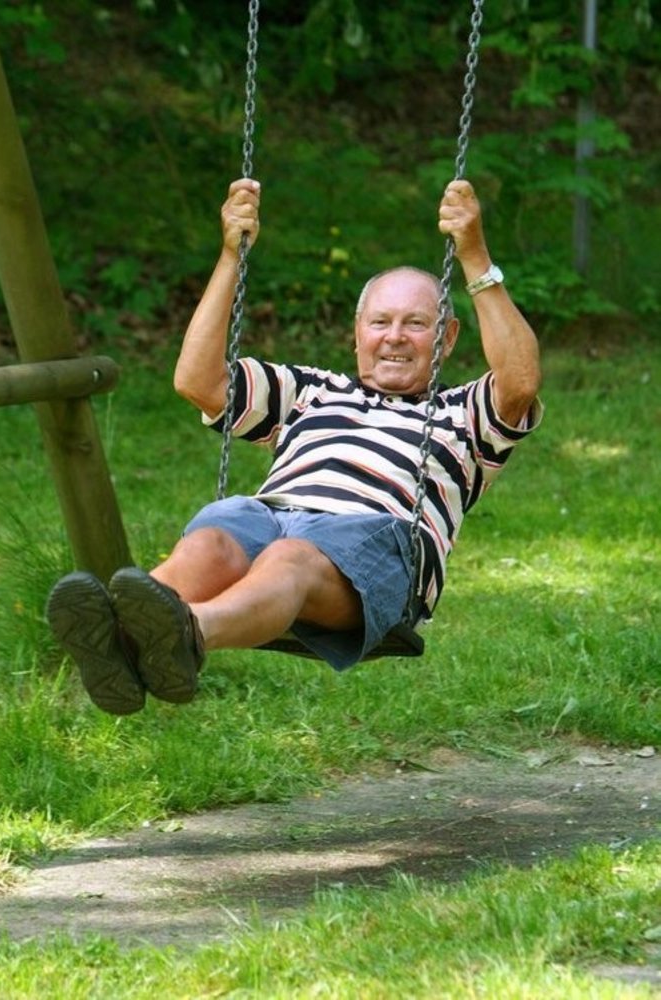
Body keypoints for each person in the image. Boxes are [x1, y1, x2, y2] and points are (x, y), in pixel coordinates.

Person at [47, 177, 543, 716]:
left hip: (373, 545)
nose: (395, 336)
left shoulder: (463, 413)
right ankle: (117, 634)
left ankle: (186, 633)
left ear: (446, 338)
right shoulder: (312, 391)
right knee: (214, 538)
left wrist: (473, 256)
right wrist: (230, 257)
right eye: (380, 322)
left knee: (290, 557)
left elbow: (519, 380)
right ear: (358, 333)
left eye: (416, 324)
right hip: (268, 518)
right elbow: (197, 381)